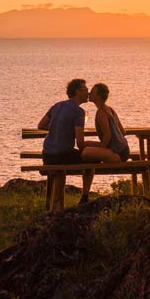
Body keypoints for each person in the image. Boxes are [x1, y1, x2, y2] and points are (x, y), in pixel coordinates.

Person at [38, 78, 94, 209]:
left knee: (60, 170)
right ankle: (85, 197)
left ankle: (56, 206)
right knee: (91, 160)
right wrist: (98, 146)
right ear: (77, 91)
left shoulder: (57, 105)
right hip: (62, 155)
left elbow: (41, 125)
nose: (88, 92)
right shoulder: (79, 112)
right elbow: (80, 144)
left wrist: (57, 128)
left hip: (47, 155)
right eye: (85, 90)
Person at [81, 83, 130, 164]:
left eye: (92, 92)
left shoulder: (101, 112)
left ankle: (97, 162)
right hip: (124, 149)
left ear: (98, 96)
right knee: (85, 144)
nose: (89, 93)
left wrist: (101, 149)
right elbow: (123, 132)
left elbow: (108, 135)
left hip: (118, 153)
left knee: (85, 152)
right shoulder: (109, 109)